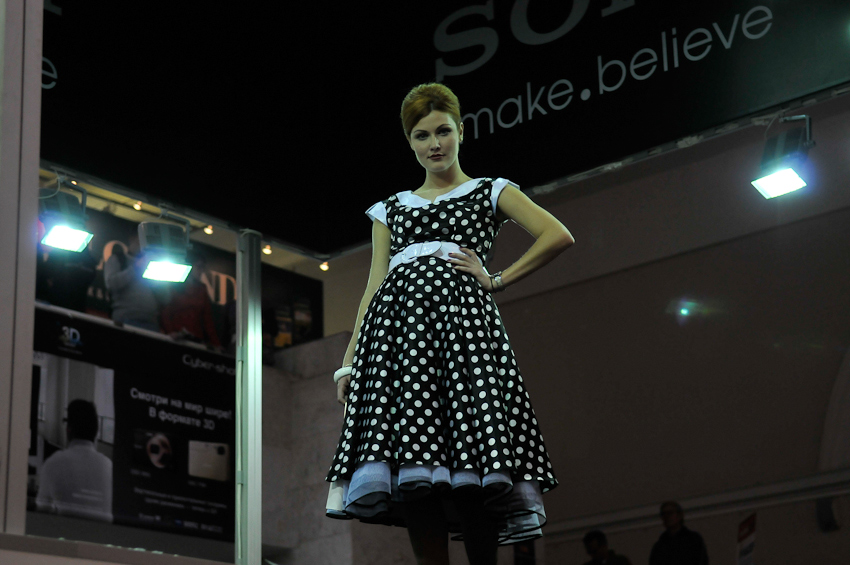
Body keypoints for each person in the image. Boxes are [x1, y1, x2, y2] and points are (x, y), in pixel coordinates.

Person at [324, 83, 574, 565]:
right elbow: (373, 285)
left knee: (476, 466)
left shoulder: (489, 190)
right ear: (410, 143)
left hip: (467, 341)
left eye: (443, 131)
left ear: (461, 131)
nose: (434, 144)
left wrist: (497, 279)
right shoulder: (391, 208)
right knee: (414, 471)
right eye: (422, 136)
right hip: (400, 346)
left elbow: (557, 234)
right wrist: (349, 362)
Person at [36, 400, 113, 522]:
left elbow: (41, 513)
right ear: (96, 432)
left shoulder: (53, 464)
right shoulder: (110, 468)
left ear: (69, 429)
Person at [160, 251, 222, 349]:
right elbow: (165, 312)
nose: (201, 271)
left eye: (203, 268)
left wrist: (216, 344)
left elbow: (207, 319)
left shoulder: (202, 289)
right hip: (175, 337)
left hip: (195, 339)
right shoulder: (173, 285)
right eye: (199, 267)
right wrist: (170, 332)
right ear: (189, 266)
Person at [104, 233, 160, 332]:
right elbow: (111, 284)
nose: (143, 245)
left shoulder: (153, 264)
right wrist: (135, 268)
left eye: (146, 241)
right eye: (140, 240)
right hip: (125, 319)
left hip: (151, 322)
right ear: (132, 238)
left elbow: (164, 296)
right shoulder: (118, 259)